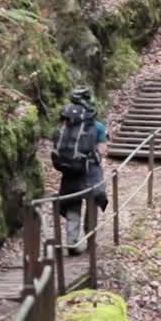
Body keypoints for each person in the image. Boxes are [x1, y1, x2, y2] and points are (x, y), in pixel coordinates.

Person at [52, 88, 109, 255]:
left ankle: (72, 243)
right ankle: (90, 241)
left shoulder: (64, 124)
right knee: (92, 203)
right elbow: (102, 149)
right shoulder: (96, 125)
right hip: (90, 171)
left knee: (72, 206)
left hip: (70, 171)